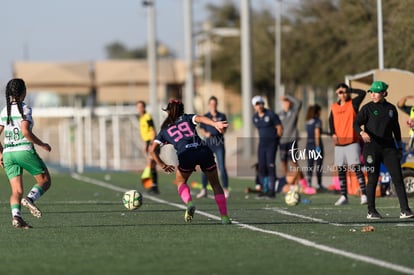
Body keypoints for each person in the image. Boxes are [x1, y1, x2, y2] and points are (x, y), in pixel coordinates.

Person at [149, 99, 231, 224]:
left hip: (186, 154)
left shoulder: (164, 130)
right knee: (215, 184)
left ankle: (189, 202)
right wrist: (215, 124)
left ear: (168, 112)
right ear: (182, 110)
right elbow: (200, 118)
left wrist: (162, 165)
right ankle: (224, 216)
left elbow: (152, 150)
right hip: (203, 150)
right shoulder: (187, 118)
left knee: (181, 181)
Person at [354, 81, 413, 219]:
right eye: (372, 92)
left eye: (376, 92)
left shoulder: (391, 109)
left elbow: (396, 129)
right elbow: (355, 123)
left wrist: (399, 146)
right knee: (373, 179)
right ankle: (371, 211)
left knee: (398, 178)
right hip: (371, 150)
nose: (373, 95)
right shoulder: (366, 108)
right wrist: (362, 133)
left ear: (384, 93)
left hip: (389, 149)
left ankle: (405, 210)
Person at [0, 78, 52, 229]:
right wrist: (42, 144)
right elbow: (25, 131)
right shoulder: (25, 108)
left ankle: (17, 217)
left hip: (9, 153)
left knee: (16, 191)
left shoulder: (4, 111)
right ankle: (30, 199)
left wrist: (1, 153)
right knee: (45, 180)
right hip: (23, 151)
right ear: (24, 92)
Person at [329, 83, 368, 206]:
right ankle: (343, 196)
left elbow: (363, 93)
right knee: (340, 169)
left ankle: (364, 194)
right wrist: (332, 133)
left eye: (345, 92)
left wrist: (348, 89)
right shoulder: (334, 106)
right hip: (339, 144)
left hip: (352, 142)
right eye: (340, 92)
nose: (343, 94)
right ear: (337, 94)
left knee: (356, 168)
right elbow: (331, 121)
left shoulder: (353, 104)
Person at [196, 96, 229, 199]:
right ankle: (204, 189)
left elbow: (225, 129)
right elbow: (201, 129)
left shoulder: (221, 116)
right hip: (208, 145)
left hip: (219, 144)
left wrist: (221, 129)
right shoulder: (206, 116)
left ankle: (225, 189)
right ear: (209, 105)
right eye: (211, 104)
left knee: (222, 167)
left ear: (216, 104)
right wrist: (206, 133)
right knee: (205, 167)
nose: (213, 106)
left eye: (214, 104)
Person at [252, 95, 283, 198]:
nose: (259, 106)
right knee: (262, 167)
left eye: (260, 103)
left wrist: (276, 140)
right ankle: (264, 189)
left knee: (270, 166)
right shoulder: (255, 118)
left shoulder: (271, 114)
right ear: (254, 107)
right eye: (257, 104)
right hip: (262, 144)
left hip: (271, 144)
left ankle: (271, 190)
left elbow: (279, 128)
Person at [278, 95, 308, 191]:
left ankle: (303, 183)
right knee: (283, 163)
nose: (287, 103)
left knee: (294, 163)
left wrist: (287, 96)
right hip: (282, 141)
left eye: (288, 102)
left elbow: (299, 102)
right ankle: (287, 183)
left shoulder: (294, 112)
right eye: (285, 102)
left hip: (292, 140)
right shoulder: (279, 114)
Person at [136, 100, 159, 194]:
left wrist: (151, 144)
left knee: (151, 163)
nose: (139, 109)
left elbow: (152, 130)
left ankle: (152, 185)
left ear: (144, 107)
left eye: (141, 107)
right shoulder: (141, 118)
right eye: (138, 107)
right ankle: (154, 186)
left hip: (152, 142)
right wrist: (146, 144)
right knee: (152, 164)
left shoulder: (147, 117)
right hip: (148, 142)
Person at [305, 104, 324, 193]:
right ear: (317, 111)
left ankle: (308, 184)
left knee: (310, 165)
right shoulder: (317, 121)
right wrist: (317, 146)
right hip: (316, 145)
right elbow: (317, 134)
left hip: (308, 144)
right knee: (319, 165)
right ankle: (318, 184)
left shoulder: (308, 121)